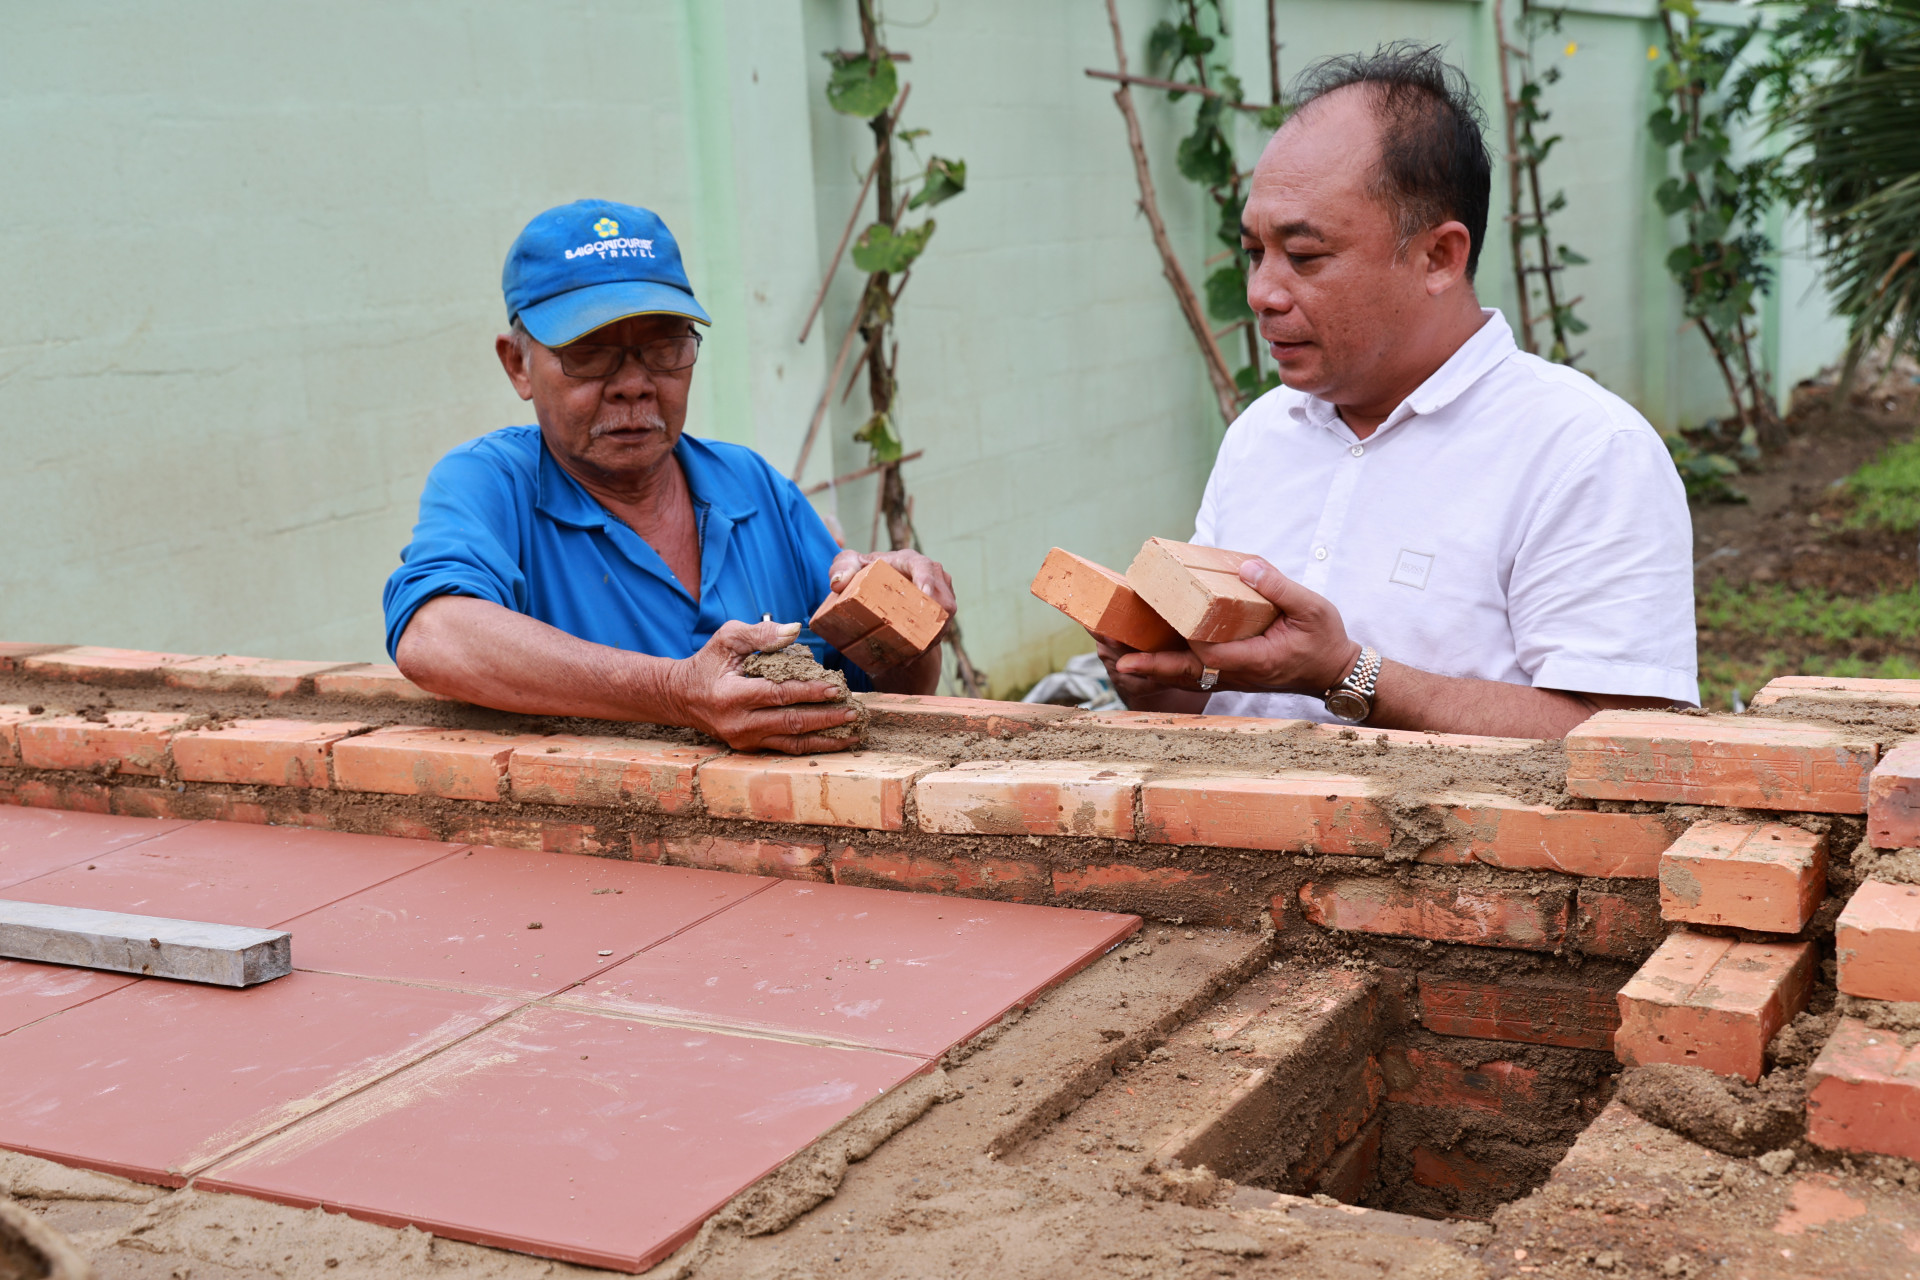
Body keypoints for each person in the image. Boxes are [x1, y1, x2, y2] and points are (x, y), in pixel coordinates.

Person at [1104, 45, 1697, 738]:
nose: (1262, 292)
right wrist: (1153, 669)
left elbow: (1628, 741)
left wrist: (1348, 674)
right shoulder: (1263, 433)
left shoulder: (1585, 452)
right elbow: (1215, 701)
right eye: (1254, 252)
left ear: (1439, 257)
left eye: (1304, 257)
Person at [385, 199, 954, 753]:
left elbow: (893, 692)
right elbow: (433, 636)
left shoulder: (750, 485)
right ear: (518, 364)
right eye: (589, 352)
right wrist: (676, 692)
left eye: (663, 349)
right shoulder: (493, 483)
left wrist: (905, 620)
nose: (633, 383)